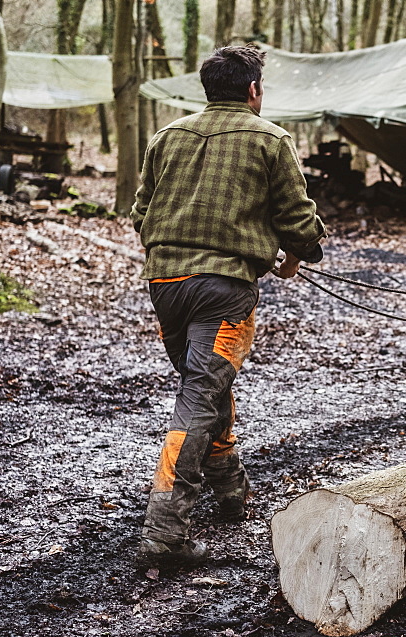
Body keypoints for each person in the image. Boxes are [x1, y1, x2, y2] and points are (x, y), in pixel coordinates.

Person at [131, 44, 326, 567]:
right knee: (199, 394)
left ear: (207, 87)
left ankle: (230, 489)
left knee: (208, 384)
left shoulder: (167, 136)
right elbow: (299, 220)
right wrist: (299, 253)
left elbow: (140, 213)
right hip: (224, 290)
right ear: (253, 90)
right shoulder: (271, 139)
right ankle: (165, 535)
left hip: (166, 285)